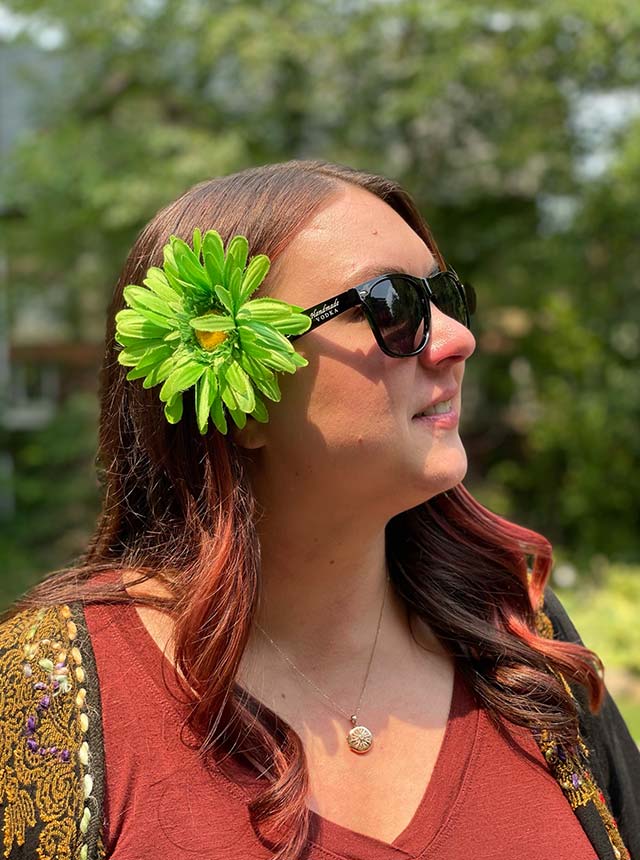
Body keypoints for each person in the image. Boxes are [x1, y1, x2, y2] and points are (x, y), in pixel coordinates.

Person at [1, 159, 638, 860]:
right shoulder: (46, 696)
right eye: (395, 307)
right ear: (236, 394)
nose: (459, 340)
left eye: (446, 295)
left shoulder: (521, 638)